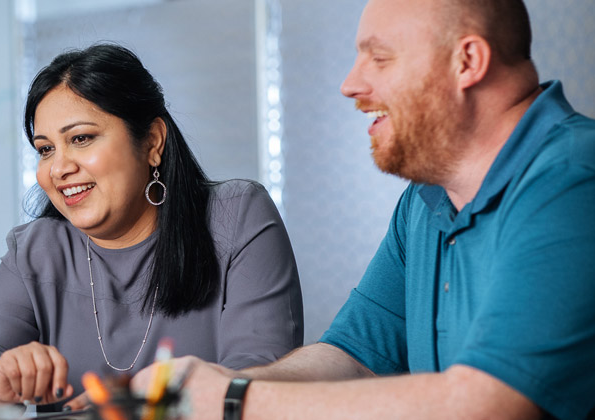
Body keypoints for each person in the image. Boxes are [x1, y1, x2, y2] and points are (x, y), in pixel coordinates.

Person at [133, 0, 595, 419]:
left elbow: (490, 403)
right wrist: (210, 386)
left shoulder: (573, 179)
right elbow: (354, 356)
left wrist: (235, 403)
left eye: (379, 57)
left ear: (467, 61)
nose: (351, 84)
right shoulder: (424, 200)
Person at [0, 44, 303, 411]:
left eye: (80, 138)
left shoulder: (236, 216)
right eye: (46, 149)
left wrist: (140, 406)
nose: (58, 168)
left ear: (152, 142)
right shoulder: (36, 250)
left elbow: (258, 380)